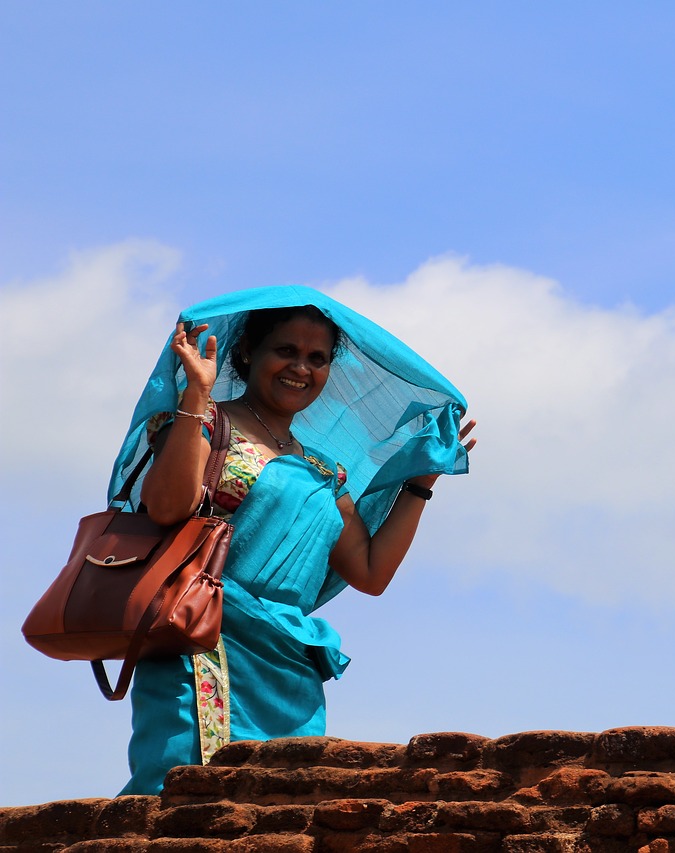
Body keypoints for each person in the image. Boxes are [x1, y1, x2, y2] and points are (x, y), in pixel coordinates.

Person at [112, 286, 476, 795]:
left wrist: (420, 484)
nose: (300, 368)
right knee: (180, 797)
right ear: (246, 353)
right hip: (198, 645)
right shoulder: (204, 424)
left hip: (288, 667)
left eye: (317, 358)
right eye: (286, 350)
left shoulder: (323, 471)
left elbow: (370, 573)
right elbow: (167, 509)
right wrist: (196, 394)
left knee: (280, 810)